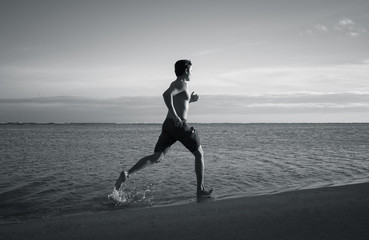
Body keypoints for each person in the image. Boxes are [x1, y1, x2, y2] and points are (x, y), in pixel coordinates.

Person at [113, 59, 212, 198]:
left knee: (157, 157)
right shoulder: (181, 83)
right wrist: (176, 117)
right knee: (200, 153)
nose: (192, 73)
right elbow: (166, 95)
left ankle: (127, 174)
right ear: (186, 71)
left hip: (169, 124)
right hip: (178, 124)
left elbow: (179, 102)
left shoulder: (180, 84)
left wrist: (190, 100)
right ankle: (200, 190)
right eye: (191, 70)